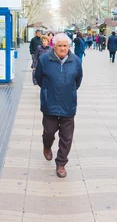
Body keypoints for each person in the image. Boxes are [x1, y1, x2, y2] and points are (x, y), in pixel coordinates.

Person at [35, 33, 83, 178]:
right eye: (60, 46)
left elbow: (78, 80)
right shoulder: (44, 59)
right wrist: (47, 91)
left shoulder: (76, 60)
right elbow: (38, 78)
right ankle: (47, 145)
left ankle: (61, 163)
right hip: (50, 103)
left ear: (69, 46)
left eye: (65, 45)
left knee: (67, 137)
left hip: (68, 104)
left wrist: (70, 91)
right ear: (54, 46)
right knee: (49, 132)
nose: (63, 48)